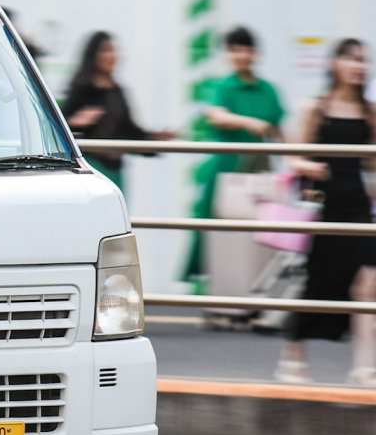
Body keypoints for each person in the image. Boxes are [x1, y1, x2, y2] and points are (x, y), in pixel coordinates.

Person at [275, 39, 376, 385]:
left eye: (363, 60)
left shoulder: (369, 112)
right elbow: (292, 157)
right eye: (350, 59)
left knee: (368, 284)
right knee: (316, 284)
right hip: (323, 208)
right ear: (335, 64)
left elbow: (372, 163)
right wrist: (309, 166)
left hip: (358, 207)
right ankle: (292, 358)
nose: (358, 66)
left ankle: (364, 367)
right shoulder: (316, 108)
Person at [182, 26, 286, 288]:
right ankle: (222, 292)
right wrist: (249, 123)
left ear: (255, 53)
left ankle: (255, 292)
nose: (241, 55)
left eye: (246, 49)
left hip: (259, 172)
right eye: (235, 50)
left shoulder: (268, 90)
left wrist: (296, 160)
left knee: (259, 236)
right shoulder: (223, 86)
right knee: (220, 235)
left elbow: (280, 130)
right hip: (226, 171)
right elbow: (216, 115)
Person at [61, 32, 173, 192]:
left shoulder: (117, 91)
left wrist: (155, 139)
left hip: (115, 169)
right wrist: (75, 122)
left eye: (113, 50)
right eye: (106, 50)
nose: (112, 55)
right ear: (93, 55)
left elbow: (129, 132)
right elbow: (60, 126)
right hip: (90, 169)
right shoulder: (82, 88)